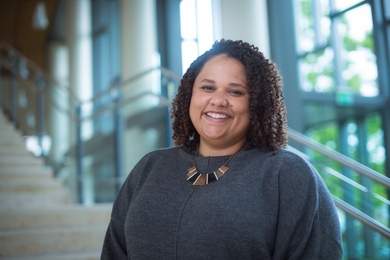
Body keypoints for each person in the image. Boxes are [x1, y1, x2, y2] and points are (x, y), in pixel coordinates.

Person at [101, 39, 343, 259]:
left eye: (235, 91)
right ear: (189, 96)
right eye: (207, 88)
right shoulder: (149, 168)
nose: (218, 100)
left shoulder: (289, 175)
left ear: (257, 103)